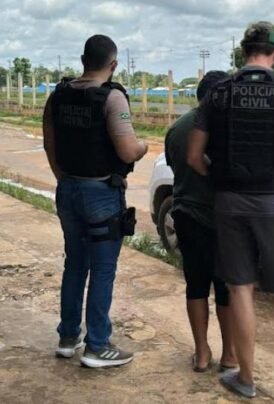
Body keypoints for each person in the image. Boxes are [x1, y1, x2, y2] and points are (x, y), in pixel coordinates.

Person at [188, 21, 274, 402]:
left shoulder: (218, 94)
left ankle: (245, 378)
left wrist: (222, 179)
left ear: (243, 52)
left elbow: (194, 157)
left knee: (240, 289)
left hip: (230, 202)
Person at [43, 35, 148, 368]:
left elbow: (49, 144)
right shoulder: (112, 97)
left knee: (75, 264)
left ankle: (68, 337)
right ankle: (97, 346)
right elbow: (127, 151)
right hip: (101, 194)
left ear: (82, 59)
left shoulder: (58, 95)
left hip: (68, 190)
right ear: (113, 64)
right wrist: (144, 146)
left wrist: (64, 179)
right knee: (103, 270)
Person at [164, 70, 237, 373]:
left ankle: (202, 352)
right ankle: (230, 354)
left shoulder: (178, 128)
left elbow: (175, 167)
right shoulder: (228, 127)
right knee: (226, 287)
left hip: (186, 215)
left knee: (195, 284)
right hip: (224, 218)